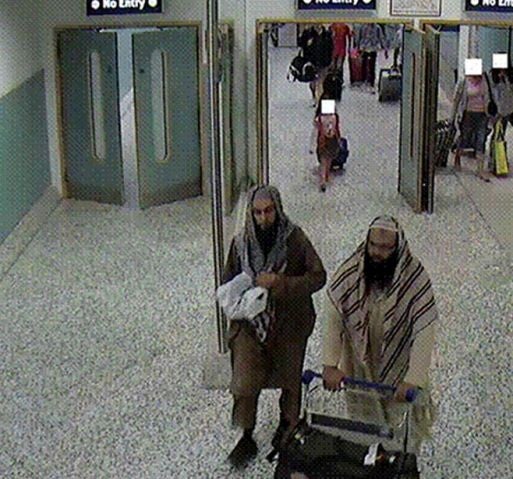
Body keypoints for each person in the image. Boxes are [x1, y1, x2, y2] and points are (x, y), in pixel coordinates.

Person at [223, 185, 327, 469]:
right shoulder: (241, 242)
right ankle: (246, 433)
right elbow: (227, 280)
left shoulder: (295, 238)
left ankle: (288, 426)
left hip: (289, 322)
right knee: (243, 384)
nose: (263, 218)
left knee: (290, 380)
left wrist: (282, 284)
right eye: (257, 212)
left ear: (277, 209)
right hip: (249, 325)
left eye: (268, 211)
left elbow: (318, 277)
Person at [322, 216, 438, 453]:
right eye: (373, 245)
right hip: (360, 366)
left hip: (400, 371)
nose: (377, 252)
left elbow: (425, 331)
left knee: (401, 431)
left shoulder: (415, 279)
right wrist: (330, 363)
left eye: (385, 248)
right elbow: (333, 316)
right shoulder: (351, 272)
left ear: (397, 248)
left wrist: (413, 379)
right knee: (363, 427)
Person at [452, 70, 495, 182]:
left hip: (482, 114)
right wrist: (453, 116)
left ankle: (480, 169)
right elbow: (456, 99)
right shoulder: (464, 81)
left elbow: (489, 96)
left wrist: (491, 115)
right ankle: (457, 156)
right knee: (465, 137)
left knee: (481, 139)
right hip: (468, 114)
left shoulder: (485, 80)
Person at [310, 97, 342, 192]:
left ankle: (323, 180)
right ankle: (326, 178)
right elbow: (337, 130)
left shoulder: (319, 118)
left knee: (323, 161)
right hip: (332, 141)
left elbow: (315, 132)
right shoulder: (334, 117)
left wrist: (311, 146)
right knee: (329, 161)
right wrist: (339, 140)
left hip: (322, 141)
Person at [353, 23, 388, 93]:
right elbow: (359, 37)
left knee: (372, 65)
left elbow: (381, 38)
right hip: (365, 48)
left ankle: (371, 82)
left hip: (372, 48)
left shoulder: (377, 27)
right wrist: (357, 47)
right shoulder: (363, 27)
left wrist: (385, 48)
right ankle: (365, 81)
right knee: (364, 65)